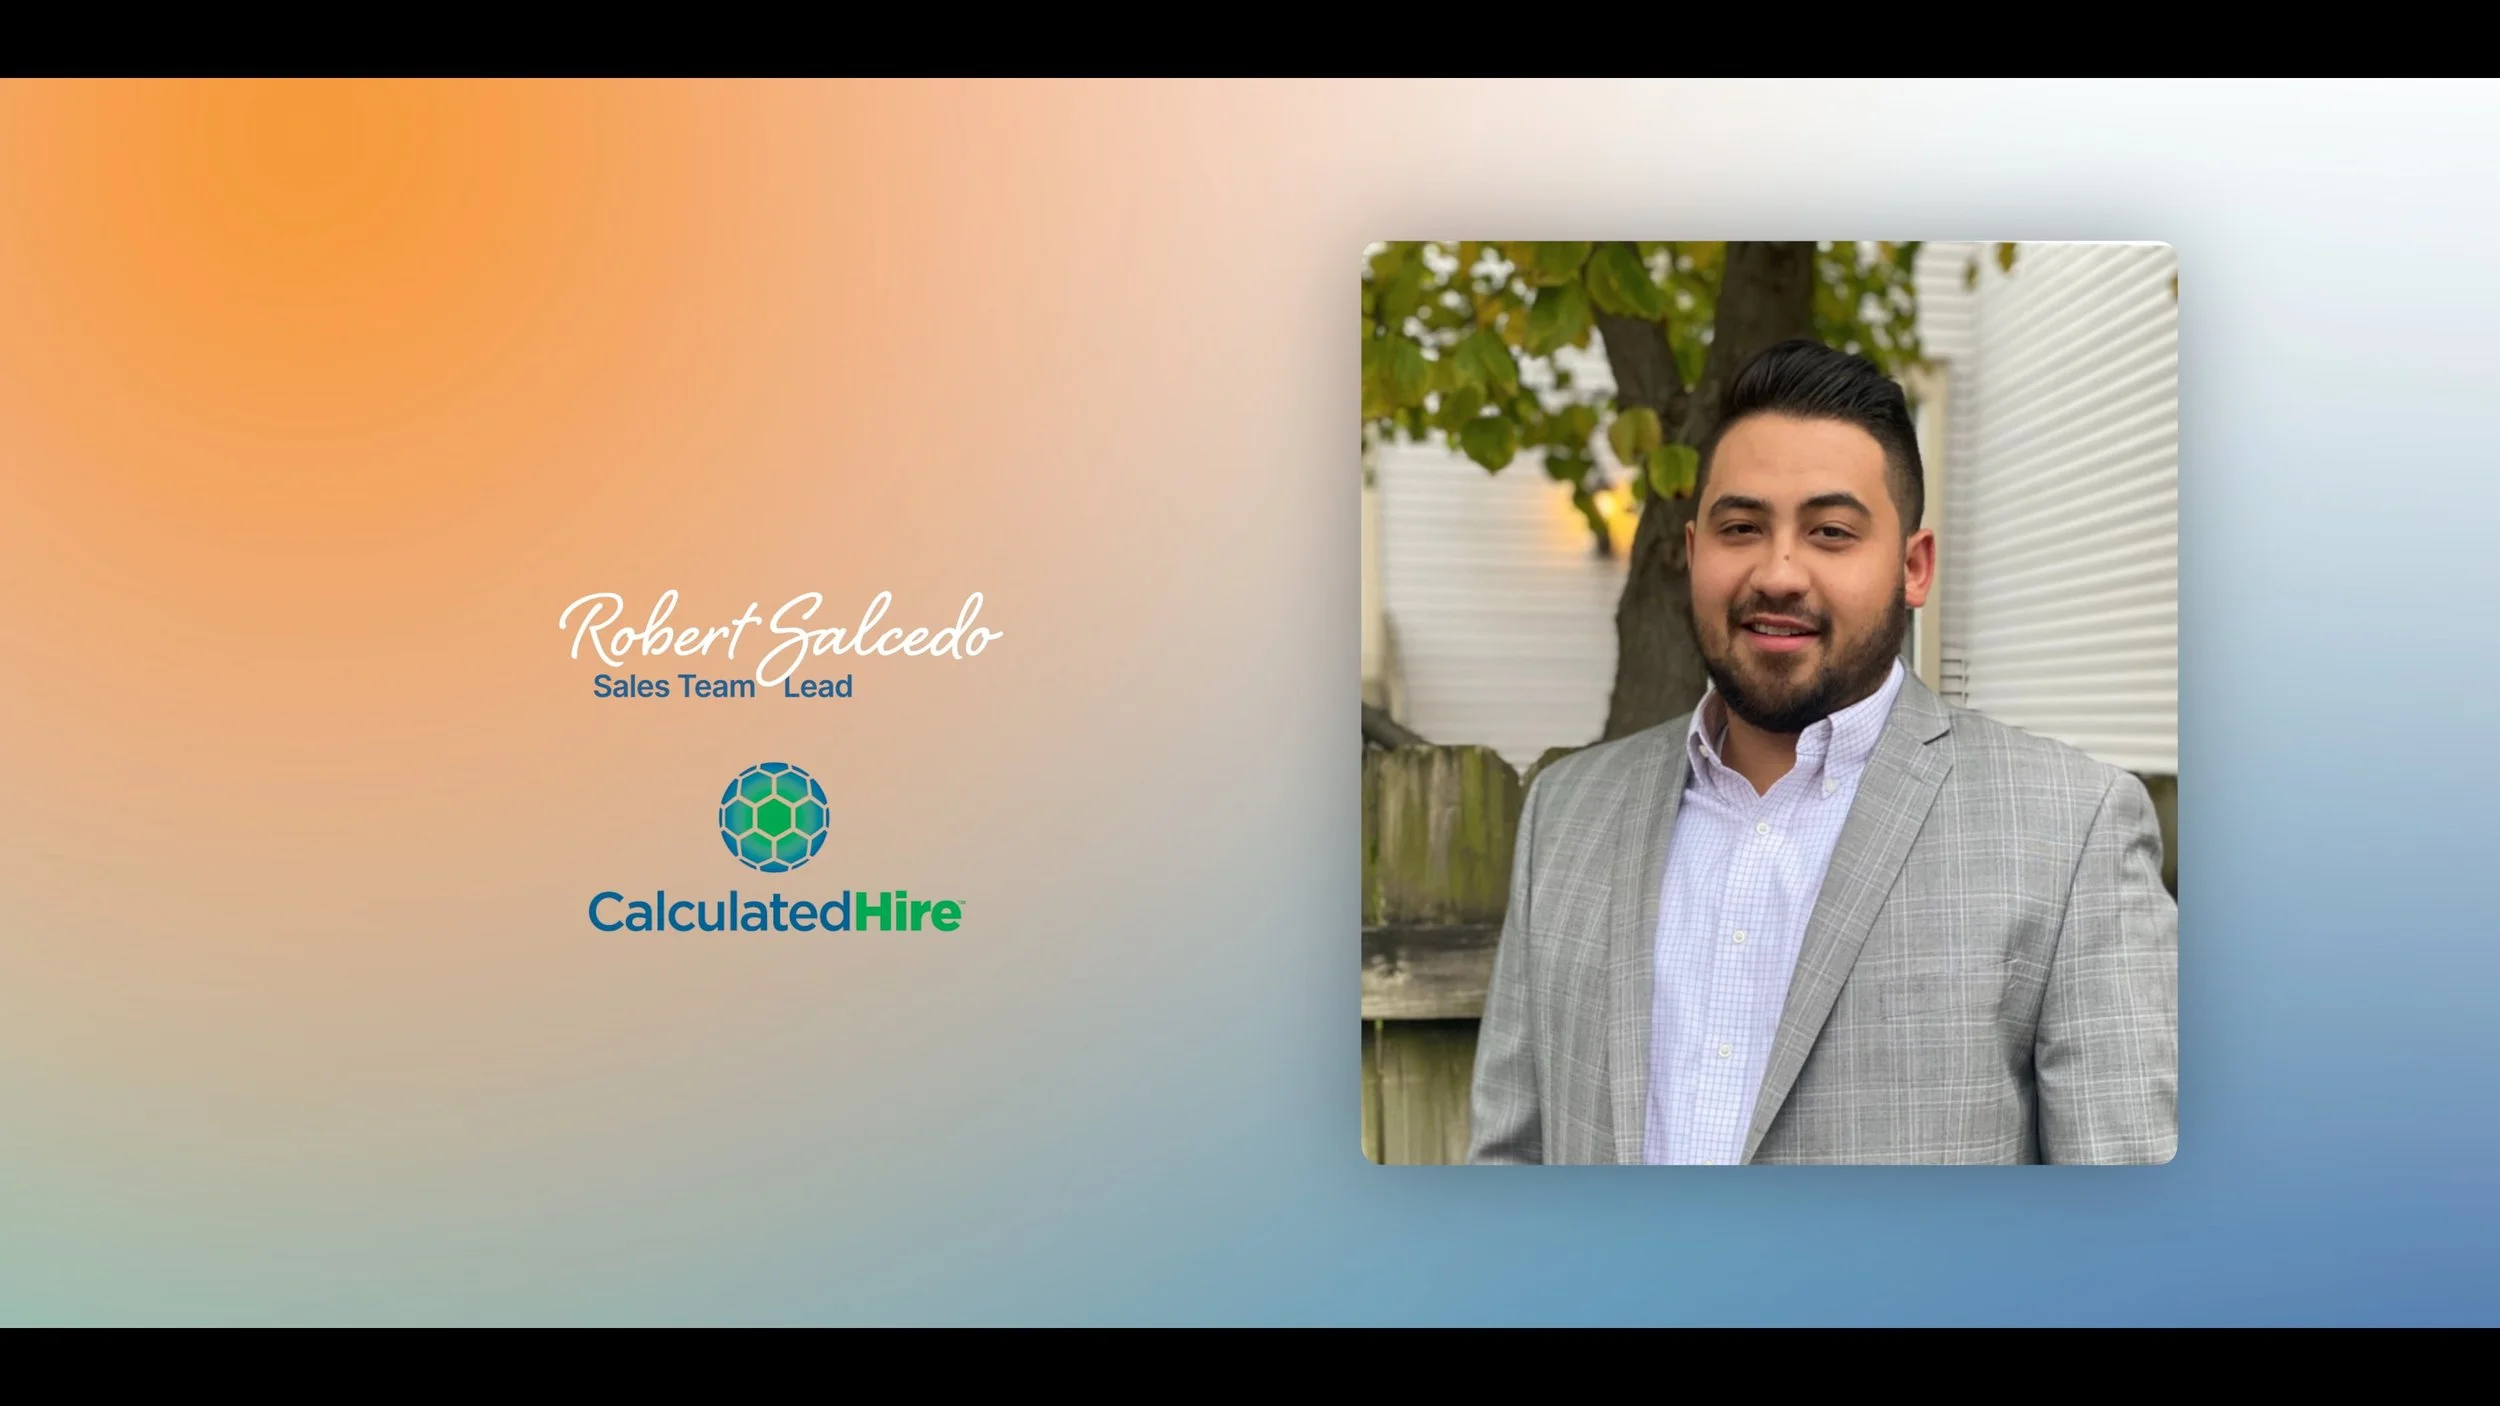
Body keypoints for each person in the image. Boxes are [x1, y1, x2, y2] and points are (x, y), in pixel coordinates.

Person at [1466, 338, 2177, 1165]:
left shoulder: (2069, 831)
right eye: (1741, 527)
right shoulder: (1567, 812)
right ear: (1694, 553)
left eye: (1832, 531)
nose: (1779, 571)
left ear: (1914, 568)